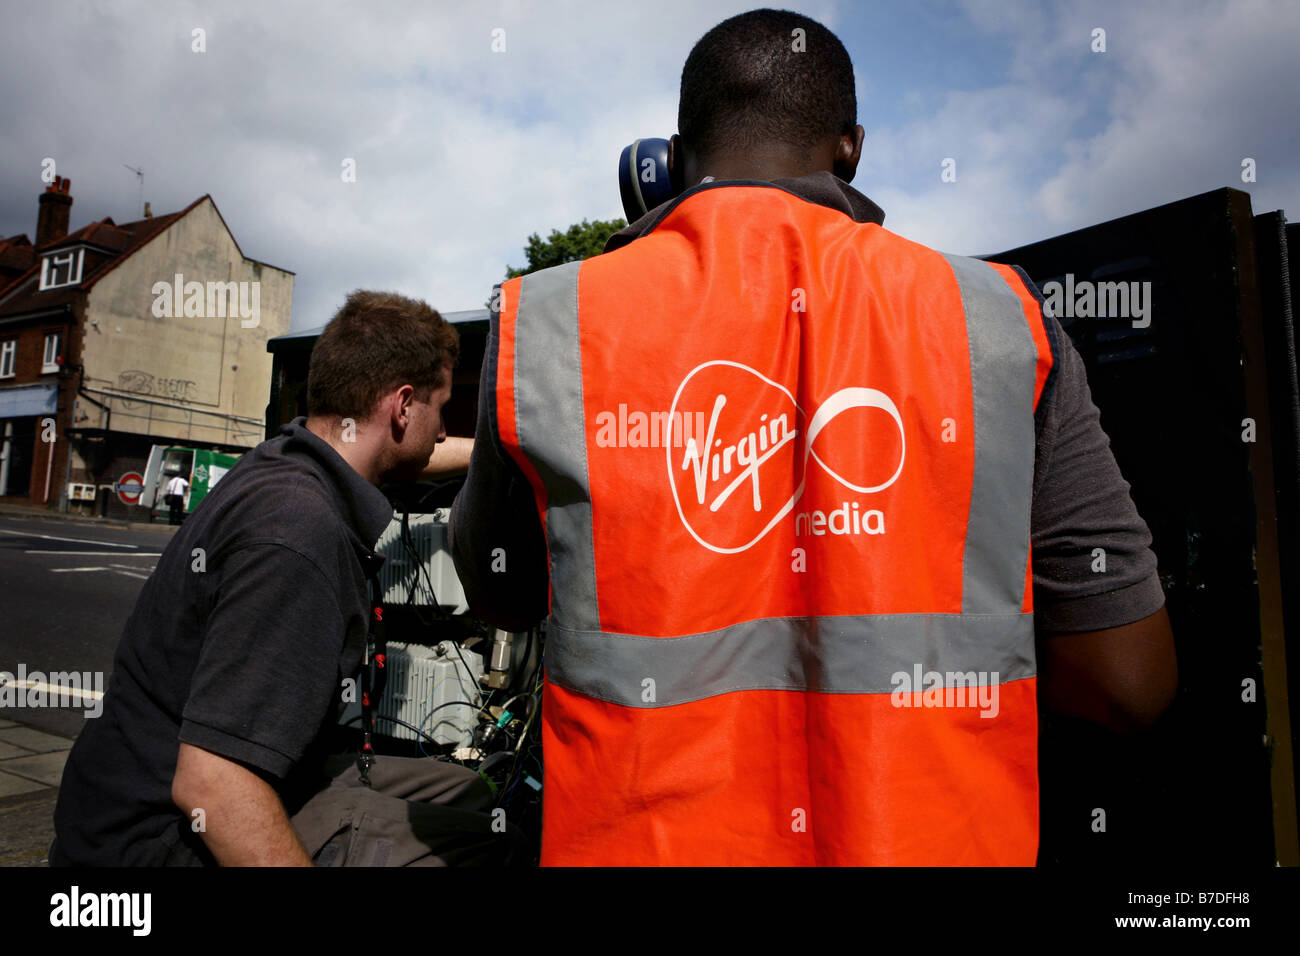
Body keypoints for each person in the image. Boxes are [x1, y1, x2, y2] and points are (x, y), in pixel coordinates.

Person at [450, 8, 1177, 865]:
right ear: (851, 148)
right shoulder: (999, 325)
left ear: (675, 160)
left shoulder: (553, 323)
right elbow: (1130, 684)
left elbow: (500, 591)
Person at [51, 290, 516, 866]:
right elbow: (213, 789)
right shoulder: (298, 535)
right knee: (491, 848)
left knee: (467, 789)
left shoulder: (290, 459)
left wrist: (505, 451)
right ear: (402, 406)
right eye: (440, 410)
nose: (443, 432)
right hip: (149, 843)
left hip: (158, 795)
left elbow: (416, 452)